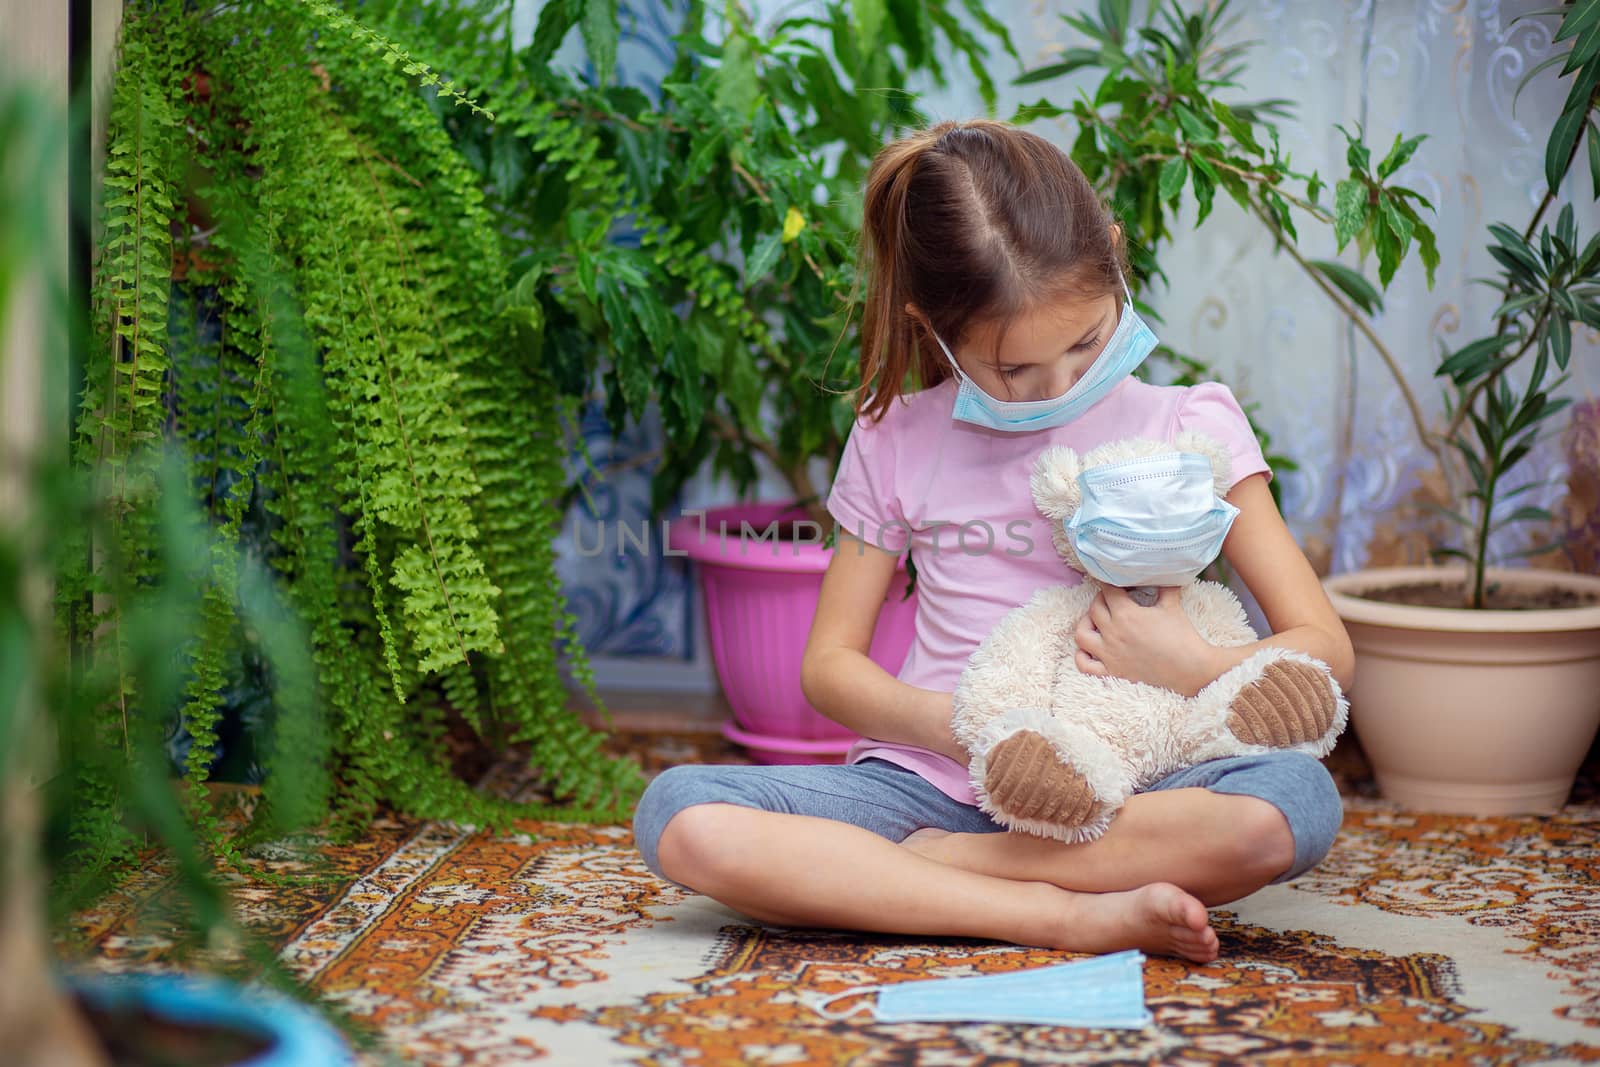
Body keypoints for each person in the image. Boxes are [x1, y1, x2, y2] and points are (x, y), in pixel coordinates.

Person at [632, 119, 1352, 963]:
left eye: (1086, 343)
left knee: (1289, 805)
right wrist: (974, 733)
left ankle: (945, 874)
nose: (1061, 386)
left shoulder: (1191, 423)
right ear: (932, 327)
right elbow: (829, 667)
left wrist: (1186, 666)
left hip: (1134, 785)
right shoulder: (893, 436)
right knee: (680, 815)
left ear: (1114, 255)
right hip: (930, 785)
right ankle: (1058, 913)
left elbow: (1325, 652)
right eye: (1014, 370)